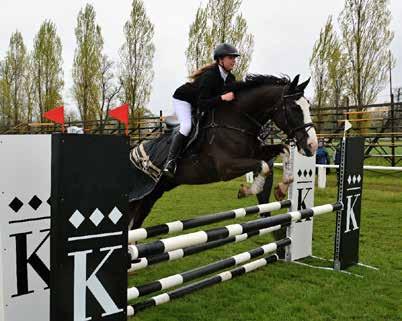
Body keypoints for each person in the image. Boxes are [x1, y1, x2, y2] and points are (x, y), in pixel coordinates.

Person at [162, 43, 240, 177]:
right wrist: (222, 98)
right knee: (186, 127)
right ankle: (170, 162)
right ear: (220, 60)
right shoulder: (210, 76)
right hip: (183, 99)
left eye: (234, 58)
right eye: (230, 57)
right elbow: (203, 104)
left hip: (199, 102)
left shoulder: (230, 78)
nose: (234, 60)